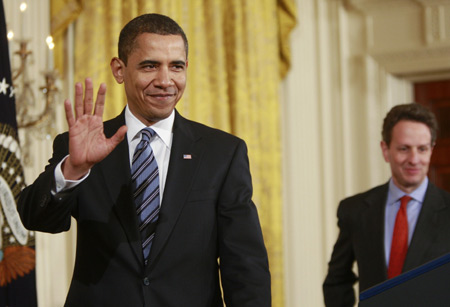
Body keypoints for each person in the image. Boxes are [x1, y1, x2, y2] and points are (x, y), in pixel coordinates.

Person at [18, 13, 271, 307]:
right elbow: (35, 218)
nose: (165, 81)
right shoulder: (83, 146)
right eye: (150, 66)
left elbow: (245, 265)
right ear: (119, 69)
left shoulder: (222, 153)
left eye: (176, 66)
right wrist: (74, 169)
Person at [323, 103, 450, 306]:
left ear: (431, 150)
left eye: (422, 149)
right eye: (404, 149)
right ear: (385, 150)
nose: (414, 159)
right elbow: (337, 281)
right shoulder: (355, 210)